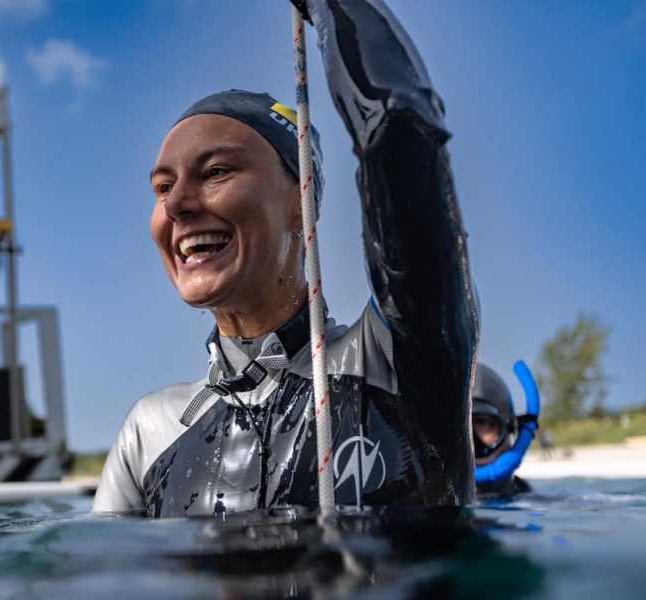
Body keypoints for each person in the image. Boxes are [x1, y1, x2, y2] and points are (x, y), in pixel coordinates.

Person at [93, 0, 479, 517]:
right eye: (162, 187)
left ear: (302, 202)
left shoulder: (394, 360)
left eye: (215, 173)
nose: (177, 205)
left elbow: (401, 131)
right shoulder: (151, 428)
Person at [473, 362, 539, 499]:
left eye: (481, 422)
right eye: (456, 429)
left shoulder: (531, 502)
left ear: (510, 427)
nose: (468, 440)